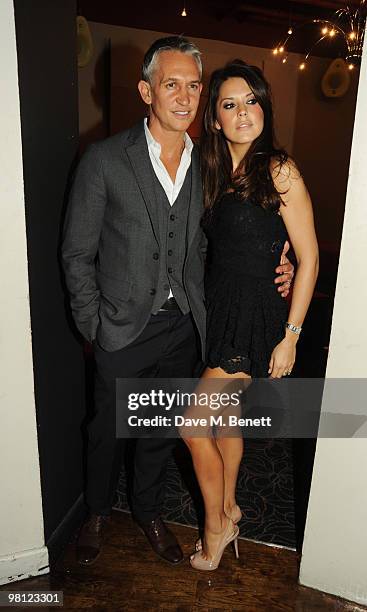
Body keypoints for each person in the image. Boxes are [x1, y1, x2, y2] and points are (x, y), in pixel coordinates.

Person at [62, 39, 293, 567]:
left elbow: (233, 239)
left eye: (194, 85)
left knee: (161, 430)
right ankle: (97, 512)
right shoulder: (103, 159)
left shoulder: (210, 164)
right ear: (147, 90)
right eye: (172, 84)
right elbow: (76, 252)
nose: (185, 96)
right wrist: (93, 326)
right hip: (119, 326)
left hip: (185, 326)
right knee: (106, 428)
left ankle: (146, 510)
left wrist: (285, 264)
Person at [181, 60, 318, 571]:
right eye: (230, 104)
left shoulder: (278, 168)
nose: (243, 113)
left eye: (252, 101)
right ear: (214, 118)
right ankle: (232, 505)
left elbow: (309, 259)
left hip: (254, 316)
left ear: (265, 107)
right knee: (224, 420)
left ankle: (217, 527)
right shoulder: (214, 169)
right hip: (220, 308)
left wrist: (291, 337)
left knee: (194, 426)